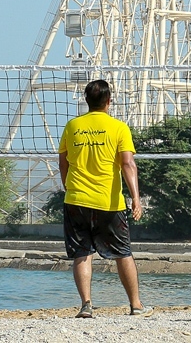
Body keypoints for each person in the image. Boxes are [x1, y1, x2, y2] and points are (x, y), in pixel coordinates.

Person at [58, 79, 151, 319]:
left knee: (82, 253)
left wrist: (69, 187)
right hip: (109, 203)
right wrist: (136, 198)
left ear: (86, 100)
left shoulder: (72, 126)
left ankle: (86, 305)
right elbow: (128, 164)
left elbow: (63, 162)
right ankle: (136, 305)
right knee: (123, 253)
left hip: (76, 199)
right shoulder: (119, 128)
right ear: (109, 101)